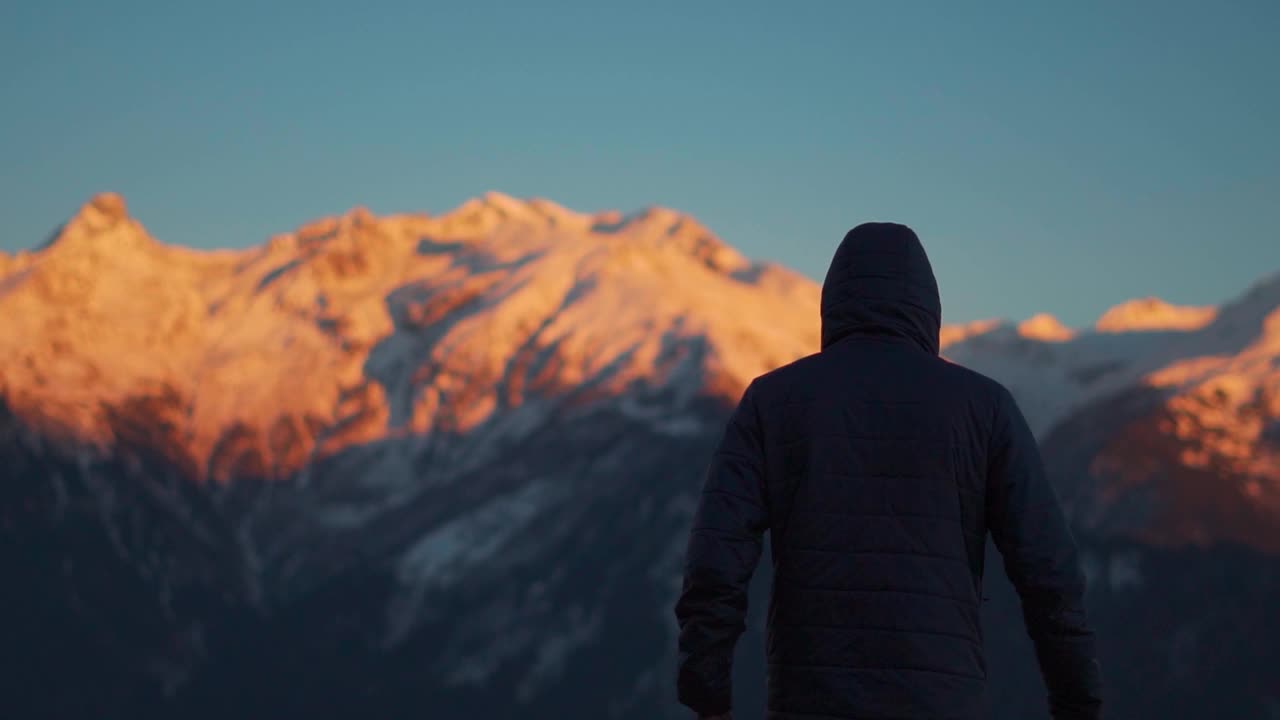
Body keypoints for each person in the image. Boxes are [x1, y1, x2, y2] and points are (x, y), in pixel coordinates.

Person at [673, 223, 1103, 719]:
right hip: (943, 702)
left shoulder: (772, 402)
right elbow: (1049, 569)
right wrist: (1077, 699)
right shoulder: (986, 408)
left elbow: (716, 558)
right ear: (928, 305)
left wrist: (706, 691)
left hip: (809, 700)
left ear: (833, 302)